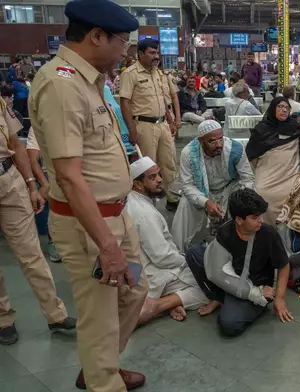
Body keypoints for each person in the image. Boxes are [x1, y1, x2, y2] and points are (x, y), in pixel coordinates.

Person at [28, 0, 148, 389]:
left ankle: (102, 367)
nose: (125, 51)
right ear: (97, 36)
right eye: (122, 42)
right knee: (100, 314)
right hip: (90, 226)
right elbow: (69, 175)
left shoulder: (90, 81)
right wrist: (106, 244)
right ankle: (104, 381)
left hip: (117, 216)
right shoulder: (61, 86)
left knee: (135, 290)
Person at [0, 96, 75, 347]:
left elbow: (16, 145)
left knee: (31, 253)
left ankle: (56, 315)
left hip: (9, 179)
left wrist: (31, 185)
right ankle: (3, 319)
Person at [184, 188, 293, 335]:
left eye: (261, 215)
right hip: (231, 277)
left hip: (257, 288)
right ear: (239, 220)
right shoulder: (225, 232)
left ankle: (238, 302)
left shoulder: (268, 234)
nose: (261, 220)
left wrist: (279, 298)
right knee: (194, 253)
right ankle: (220, 298)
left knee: (229, 324)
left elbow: (284, 265)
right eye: (254, 217)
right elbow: (216, 269)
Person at [125, 157, 210, 325]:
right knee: (209, 286)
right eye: (152, 177)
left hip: (141, 268)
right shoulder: (144, 213)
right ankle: (158, 305)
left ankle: (171, 299)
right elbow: (162, 257)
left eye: (158, 175)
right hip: (150, 272)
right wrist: (187, 261)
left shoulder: (133, 201)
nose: (159, 180)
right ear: (137, 184)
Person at [171, 120, 255, 252]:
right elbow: (187, 185)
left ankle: (243, 247)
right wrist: (206, 202)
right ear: (201, 141)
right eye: (212, 141)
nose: (219, 145)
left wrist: (241, 200)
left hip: (230, 188)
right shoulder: (188, 153)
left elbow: (248, 178)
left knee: (247, 200)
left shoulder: (235, 149)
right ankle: (178, 251)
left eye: (220, 139)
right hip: (202, 191)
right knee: (185, 203)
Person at [120, 38, 181, 212]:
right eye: (152, 53)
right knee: (149, 167)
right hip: (144, 126)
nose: (156, 56)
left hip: (162, 125)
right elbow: (125, 103)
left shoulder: (159, 73)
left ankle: (172, 197)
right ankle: (148, 204)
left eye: (157, 52)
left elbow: (164, 99)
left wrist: (171, 120)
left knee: (169, 163)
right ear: (140, 53)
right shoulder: (130, 74)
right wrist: (131, 129)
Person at [246, 98, 300, 225]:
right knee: (262, 194)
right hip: (267, 176)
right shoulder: (261, 130)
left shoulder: (294, 128)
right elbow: (251, 156)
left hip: (289, 176)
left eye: (287, 108)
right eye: (280, 106)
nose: (284, 110)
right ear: (272, 108)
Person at [25, 127, 62, 262]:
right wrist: (45, 183)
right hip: (51, 173)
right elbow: (32, 161)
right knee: (50, 186)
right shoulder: (37, 127)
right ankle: (54, 240)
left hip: (75, 172)